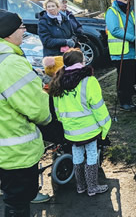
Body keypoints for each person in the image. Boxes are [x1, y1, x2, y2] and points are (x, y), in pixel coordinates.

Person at [0, 9, 52, 217]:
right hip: (16, 148)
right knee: (19, 201)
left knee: (10, 193)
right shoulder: (9, 63)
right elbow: (36, 108)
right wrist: (50, 120)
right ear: (9, 33)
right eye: (21, 27)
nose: (25, 31)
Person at [48, 49, 111, 197]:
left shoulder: (58, 81)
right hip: (89, 128)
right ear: (81, 62)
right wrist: (105, 125)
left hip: (70, 130)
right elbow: (98, 106)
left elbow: (57, 108)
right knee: (91, 155)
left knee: (77, 155)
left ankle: (80, 186)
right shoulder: (89, 81)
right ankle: (93, 187)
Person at [105, 0, 136, 111]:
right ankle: (124, 101)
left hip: (132, 51)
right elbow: (114, 30)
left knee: (131, 77)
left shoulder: (130, 11)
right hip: (120, 52)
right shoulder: (112, 12)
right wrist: (133, 38)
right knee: (123, 79)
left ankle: (129, 99)